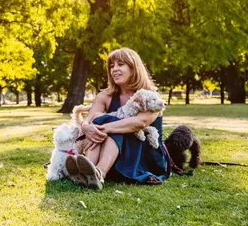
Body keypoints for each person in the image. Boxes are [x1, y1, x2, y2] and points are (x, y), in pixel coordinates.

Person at [66, 47, 171, 190]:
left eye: (120, 64)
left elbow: (139, 123)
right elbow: (88, 119)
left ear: (134, 68)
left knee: (110, 122)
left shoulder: (150, 97)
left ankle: (99, 172)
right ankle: (88, 169)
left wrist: (104, 127)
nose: (114, 69)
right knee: (99, 121)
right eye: (111, 65)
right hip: (115, 155)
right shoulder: (104, 96)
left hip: (145, 156)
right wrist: (86, 127)